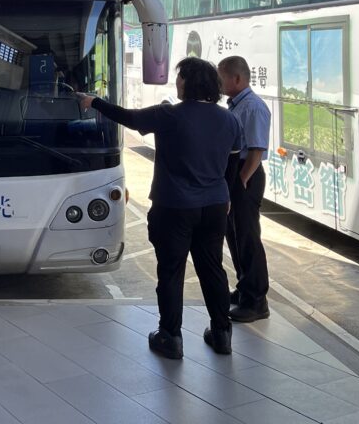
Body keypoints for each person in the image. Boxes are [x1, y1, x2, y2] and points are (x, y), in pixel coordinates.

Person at [77, 58, 242, 359]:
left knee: (171, 270)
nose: (176, 83)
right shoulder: (229, 119)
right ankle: (221, 334)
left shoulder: (169, 115)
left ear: (189, 82)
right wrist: (226, 194)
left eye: (180, 77)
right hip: (215, 206)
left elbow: (129, 117)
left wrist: (95, 102)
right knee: (213, 269)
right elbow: (233, 162)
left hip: (174, 206)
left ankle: (170, 337)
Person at [217, 56, 271, 322]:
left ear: (236, 79)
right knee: (234, 234)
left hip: (245, 176)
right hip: (235, 176)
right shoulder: (235, 105)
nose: (219, 82)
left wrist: (243, 179)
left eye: (222, 77)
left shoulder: (252, 107)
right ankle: (244, 287)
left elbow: (256, 150)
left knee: (248, 236)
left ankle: (257, 301)